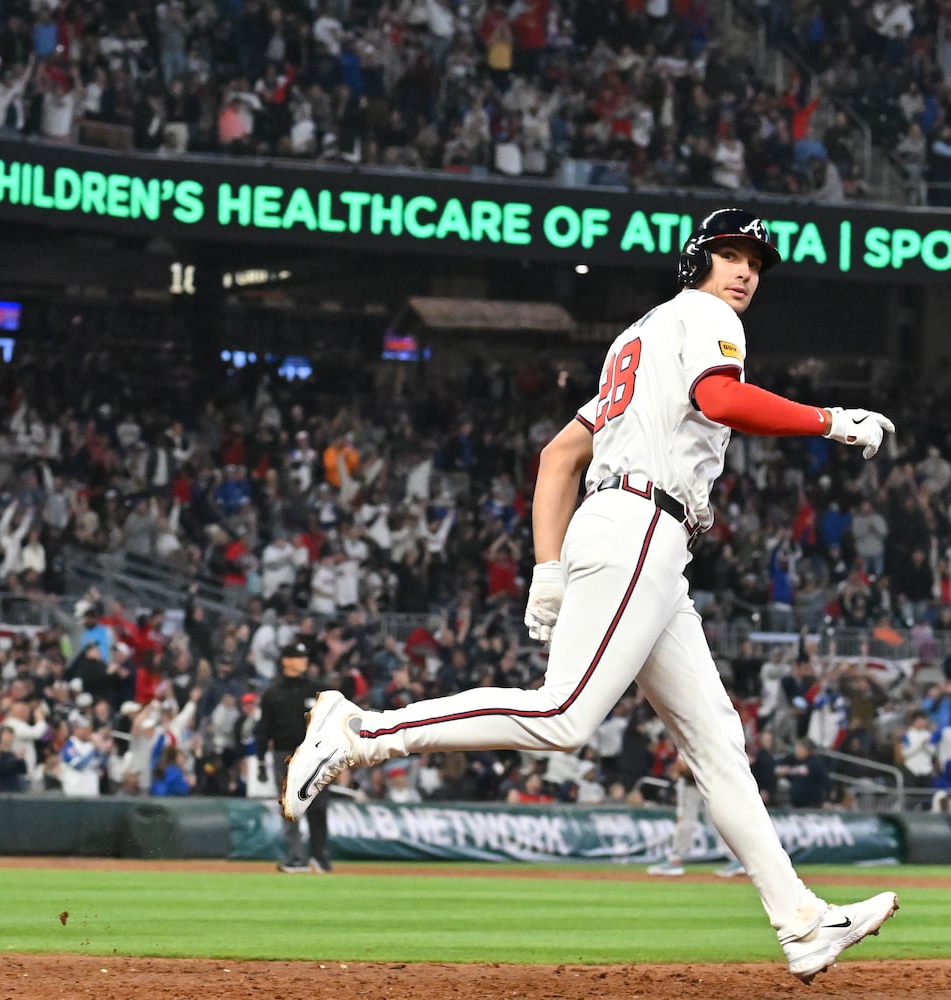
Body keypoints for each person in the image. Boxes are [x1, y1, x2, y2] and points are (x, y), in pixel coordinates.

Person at [282, 208, 900, 983]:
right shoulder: (705, 317)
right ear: (697, 261)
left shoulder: (637, 337)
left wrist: (547, 568)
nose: (743, 270)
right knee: (563, 717)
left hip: (631, 532)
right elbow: (719, 399)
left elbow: (558, 454)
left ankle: (800, 920)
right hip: (642, 523)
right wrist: (830, 421)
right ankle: (363, 731)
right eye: (730, 254)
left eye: (754, 261)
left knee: (716, 743)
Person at [260, 640, 334, 873]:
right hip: (284, 754)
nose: (304, 661)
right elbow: (264, 728)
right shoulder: (273, 693)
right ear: (286, 661)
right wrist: (261, 760)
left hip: (315, 754)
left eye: (304, 657)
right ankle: (297, 857)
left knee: (318, 806)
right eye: (298, 657)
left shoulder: (317, 689)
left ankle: (319, 856)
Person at [645, 757, 744, 878]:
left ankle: (674, 860)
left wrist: (678, 767)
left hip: (692, 781)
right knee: (717, 821)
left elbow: (682, 763)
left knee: (686, 820)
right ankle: (737, 859)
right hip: (712, 778)